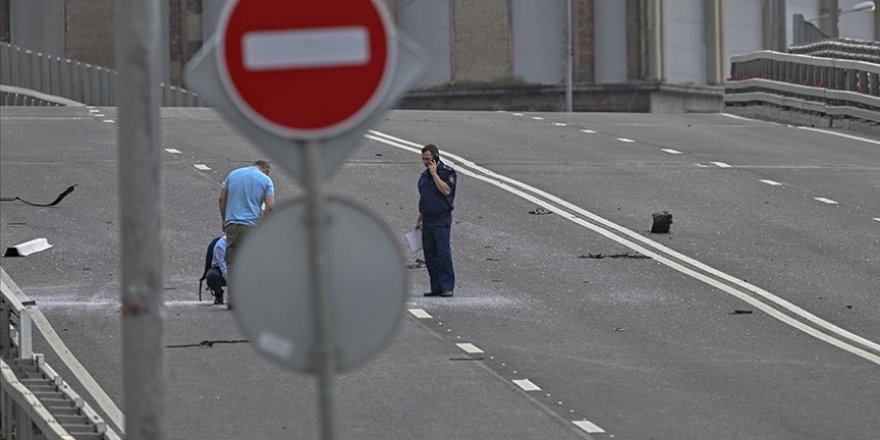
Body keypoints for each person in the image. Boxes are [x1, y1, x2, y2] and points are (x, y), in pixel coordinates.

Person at [219, 160, 275, 308]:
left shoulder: (233, 175)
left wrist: (225, 219)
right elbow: (270, 206)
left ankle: (233, 298)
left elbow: (221, 198)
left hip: (232, 223)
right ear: (265, 170)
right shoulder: (266, 180)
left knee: (232, 261)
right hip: (251, 226)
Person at [415, 144, 457, 297]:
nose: (425, 162)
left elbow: (446, 191)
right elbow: (425, 198)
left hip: (441, 219)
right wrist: (419, 218)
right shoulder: (423, 177)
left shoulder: (447, 173)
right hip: (427, 219)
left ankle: (447, 286)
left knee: (443, 252)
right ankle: (436, 286)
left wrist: (435, 175)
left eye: (428, 159)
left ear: (436, 158)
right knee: (430, 254)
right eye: (423, 159)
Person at [202, 235, 228, 305]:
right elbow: (223, 267)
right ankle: (218, 294)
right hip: (222, 271)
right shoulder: (221, 245)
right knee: (211, 275)